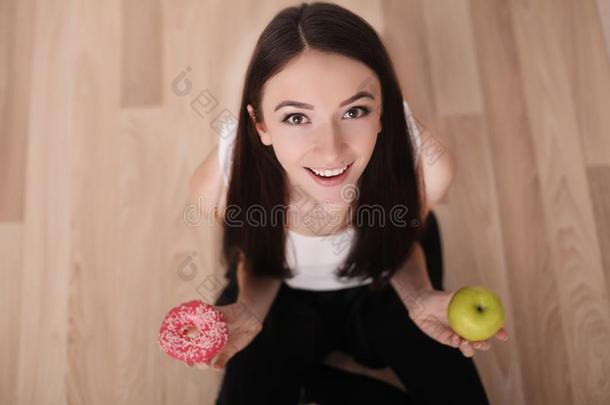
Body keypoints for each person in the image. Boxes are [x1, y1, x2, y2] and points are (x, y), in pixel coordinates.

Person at [189, 2, 509, 404]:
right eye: (296, 118)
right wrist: (250, 311)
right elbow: (259, 258)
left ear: (383, 114)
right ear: (260, 125)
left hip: (384, 284)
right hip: (282, 299)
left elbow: (397, 243)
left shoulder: (427, 167)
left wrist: (420, 298)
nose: (330, 150)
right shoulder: (223, 184)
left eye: (354, 111)